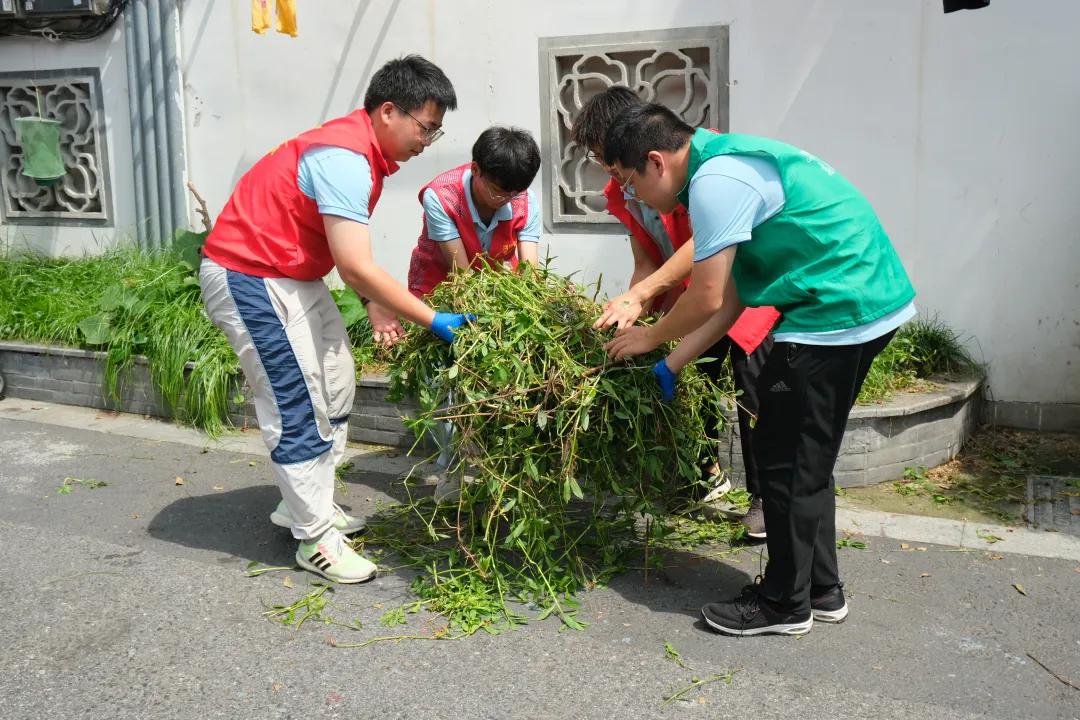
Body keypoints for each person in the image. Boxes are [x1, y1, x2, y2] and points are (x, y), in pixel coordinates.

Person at [602, 103, 916, 636]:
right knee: (803, 458)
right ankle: (820, 589)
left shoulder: (714, 182)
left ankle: (782, 605)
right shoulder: (730, 164)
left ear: (656, 162)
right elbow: (734, 297)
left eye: (630, 184)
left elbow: (702, 296)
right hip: (860, 301)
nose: (635, 199)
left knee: (784, 461)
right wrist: (672, 363)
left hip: (834, 311)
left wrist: (650, 336)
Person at [199, 55, 475, 584]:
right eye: (426, 128)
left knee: (337, 382)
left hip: (293, 275)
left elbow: (342, 251)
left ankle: (305, 505)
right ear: (389, 111)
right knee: (296, 398)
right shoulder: (346, 157)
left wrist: (376, 302)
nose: (426, 142)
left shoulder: (362, 153)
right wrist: (433, 318)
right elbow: (354, 262)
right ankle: (314, 538)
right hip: (249, 275)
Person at [570, 87, 778, 536]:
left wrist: (646, 297)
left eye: (608, 155)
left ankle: (765, 498)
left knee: (752, 390)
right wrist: (637, 314)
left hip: (738, 293)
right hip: (690, 301)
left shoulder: (702, 164)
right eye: (601, 159)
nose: (609, 169)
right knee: (689, 382)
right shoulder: (621, 190)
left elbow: (703, 242)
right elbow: (645, 258)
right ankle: (700, 477)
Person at [368, 126, 542, 500]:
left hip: (496, 294)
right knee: (442, 384)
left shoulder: (522, 195)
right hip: (441, 291)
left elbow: (530, 272)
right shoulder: (440, 195)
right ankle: (453, 470)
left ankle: (497, 467)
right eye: (498, 191)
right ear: (476, 169)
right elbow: (462, 274)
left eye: (513, 193)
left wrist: (530, 308)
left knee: (497, 380)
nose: (505, 200)